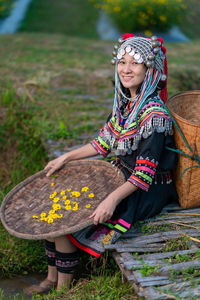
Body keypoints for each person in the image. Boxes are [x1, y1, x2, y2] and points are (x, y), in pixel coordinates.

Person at [25, 33, 178, 294]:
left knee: (66, 222)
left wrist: (111, 200)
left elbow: (143, 175)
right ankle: (51, 278)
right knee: (57, 205)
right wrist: (66, 157)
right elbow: (103, 143)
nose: (126, 69)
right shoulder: (126, 105)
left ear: (150, 69)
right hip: (121, 175)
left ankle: (63, 290)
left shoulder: (154, 116)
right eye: (122, 62)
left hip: (144, 190)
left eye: (135, 63)